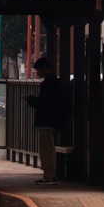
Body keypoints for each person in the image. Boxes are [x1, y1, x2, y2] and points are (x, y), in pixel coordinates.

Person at [25, 57, 64, 185]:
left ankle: (49, 176)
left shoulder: (49, 84)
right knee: (48, 148)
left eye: (39, 70)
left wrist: (30, 100)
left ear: (44, 69)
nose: (38, 73)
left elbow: (44, 104)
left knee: (47, 149)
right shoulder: (54, 82)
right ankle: (49, 175)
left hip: (47, 121)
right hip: (53, 120)